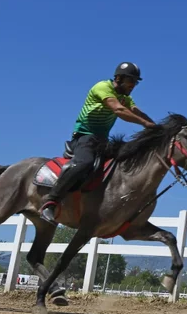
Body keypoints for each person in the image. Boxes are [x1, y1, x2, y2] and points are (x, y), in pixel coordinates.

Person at [40, 62, 158, 224]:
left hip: (102, 141)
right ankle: (50, 202)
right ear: (119, 78)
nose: (133, 85)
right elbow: (119, 110)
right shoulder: (102, 87)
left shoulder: (126, 98)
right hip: (84, 137)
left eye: (135, 82)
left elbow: (136, 111)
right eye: (131, 80)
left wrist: (156, 127)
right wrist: (145, 124)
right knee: (85, 163)